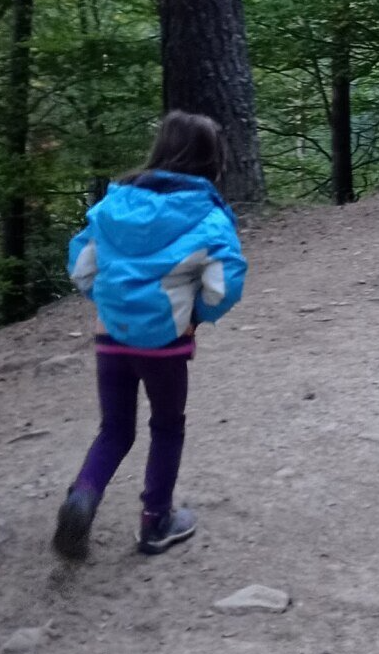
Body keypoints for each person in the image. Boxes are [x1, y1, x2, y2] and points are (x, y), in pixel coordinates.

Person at [53, 111, 247, 560]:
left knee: (114, 430)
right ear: (211, 161)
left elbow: (83, 266)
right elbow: (224, 285)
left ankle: (83, 494)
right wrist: (195, 314)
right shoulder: (208, 216)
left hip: (110, 336)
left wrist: (113, 304)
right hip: (165, 342)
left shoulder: (113, 205)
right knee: (166, 427)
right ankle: (156, 521)